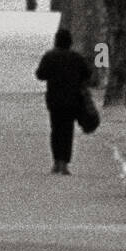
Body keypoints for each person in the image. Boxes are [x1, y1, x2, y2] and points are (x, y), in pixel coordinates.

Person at [35, 28, 92, 175]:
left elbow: (40, 75)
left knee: (55, 130)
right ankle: (65, 162)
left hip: (54, 100)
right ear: (70, 42)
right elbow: (87, 74)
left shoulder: (49, 56)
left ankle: (56, 161)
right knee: (68, 131)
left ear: (56, 41)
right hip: (72, 99)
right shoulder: (76, 57)